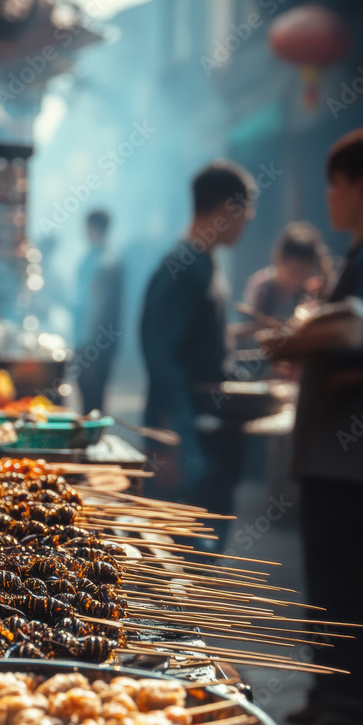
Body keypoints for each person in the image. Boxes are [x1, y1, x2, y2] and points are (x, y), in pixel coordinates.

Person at [263, 129, 363, 725]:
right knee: (328, 576)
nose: (330, 196)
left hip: (354, 453)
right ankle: (328, 690)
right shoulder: (357, 254)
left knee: (349, 577)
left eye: (336, 184)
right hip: (332, 451)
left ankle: (350, 706)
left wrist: (301, 340)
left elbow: (360, 336)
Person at [140, 161, 256, 538]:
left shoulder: (204, 266)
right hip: (188, 441)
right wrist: (173, 443)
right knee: (183, 558)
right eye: (246, 209)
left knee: (204, 550)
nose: (249, 219)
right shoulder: (183, 268)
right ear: (228, 209)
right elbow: (162, 358)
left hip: (210, 437)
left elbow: (202, 353)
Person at [72, 210, 123, 414]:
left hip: (95, 342)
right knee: (88, 396)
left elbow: (97, 308)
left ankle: (92, 441)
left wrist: (88, 345)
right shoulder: (94, 257)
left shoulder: (105, 262)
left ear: (93, 228)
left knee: (93, 398)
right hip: (89, 339)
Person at [244, 222, 334, 321]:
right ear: (279, 260)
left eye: (303, 273)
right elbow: (252, 323)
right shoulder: (262, 288)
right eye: (293, 272)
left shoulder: (310, 291)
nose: (296, 279)